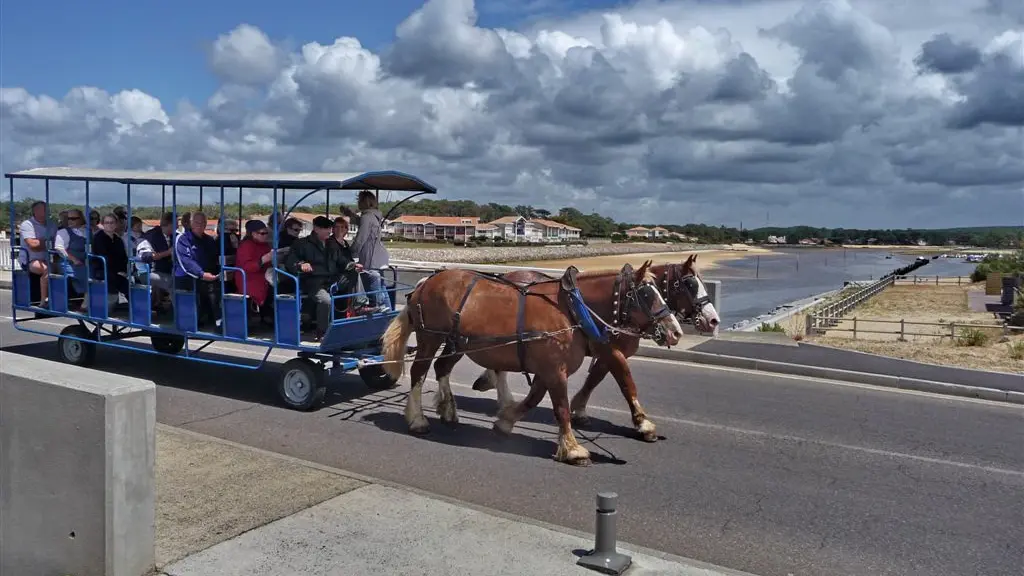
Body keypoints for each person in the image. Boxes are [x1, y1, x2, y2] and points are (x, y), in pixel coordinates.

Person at [284, 216, 361, 341]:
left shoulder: (331, 244)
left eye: (330, 228)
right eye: (326, 228)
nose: (329, 231)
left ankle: (359, 307)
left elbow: (341, 260)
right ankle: (322, 332)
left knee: (355, 273)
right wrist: (301, 265)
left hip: (332, 280)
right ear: (316, 229)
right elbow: (290, 262)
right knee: (326, 301)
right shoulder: (302, 244)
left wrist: (351, 265)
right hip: (313, 282)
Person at [341, 190, 391, 311]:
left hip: (371, 257)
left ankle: (378, 306)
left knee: (372, 281)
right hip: (380, 256)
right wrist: (350, 214)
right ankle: (389, 311)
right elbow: (361, 221)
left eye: (359, 200)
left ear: (364, 202)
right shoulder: (374, 216)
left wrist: (350, 252)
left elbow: (360, 239)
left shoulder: (367, 217)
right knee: (382, 286)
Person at [174, 212, 222, 328]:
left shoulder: (209, 240)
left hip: (206, 275)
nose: (200, 225)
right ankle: (218, 320)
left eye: (203, 222)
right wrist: (202, 274)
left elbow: (215, 258)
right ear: (191, 223)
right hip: (186, 276)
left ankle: (215, 316)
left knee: (223, 284)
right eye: (197, 222)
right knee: (210, 287)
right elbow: (186, 262)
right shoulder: (182, 239)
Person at [234, 219, 275, 323]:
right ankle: (268, 315)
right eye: (262, 233)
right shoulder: (246, 246)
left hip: (262, 275)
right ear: (253, 234)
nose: (265, 235)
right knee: (273, 288)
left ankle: (271, 315)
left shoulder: (265, 245)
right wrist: (262, 260)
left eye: (266, 233)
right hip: (248, 278)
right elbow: (247, 266)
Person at [18, 200, 57, 306]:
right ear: (35, 211)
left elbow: (57, 242)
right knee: (47, 269)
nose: (47, 212)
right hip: (30, 259)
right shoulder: (27, 224)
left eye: (47, 209)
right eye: (44, 210)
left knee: (63, 268)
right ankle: (44, 300)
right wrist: (49, 242)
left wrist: (41, 242)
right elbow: (33, 246)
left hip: (48, 258)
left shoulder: (52, 224)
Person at [136, 212, 175, 310]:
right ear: (169, 224)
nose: (177, 228)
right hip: (147, 272)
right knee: (173, 282)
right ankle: (180, 314)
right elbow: (145, 256)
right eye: (175, 225)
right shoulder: (150, 236)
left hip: (164, 270)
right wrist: (167, 253)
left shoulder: (172, 236)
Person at [53, 208, 89, 307]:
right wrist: (74, 259)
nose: (70, 221)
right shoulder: (63, 232)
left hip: (86, 261)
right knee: (86, 274)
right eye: (69, 218)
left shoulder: (86, 231)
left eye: (74, 218)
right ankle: (86, 303)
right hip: (69, 262)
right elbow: (59, 248)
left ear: (81, 219)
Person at [90, 213, 130, 301]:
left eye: (112, 223)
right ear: (103, 224)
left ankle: (138, 308)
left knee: (134, 282)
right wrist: (118, 272)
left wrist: (123, 270)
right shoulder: (99, 238)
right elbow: (104, 257)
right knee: (117, 280)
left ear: (116, 224)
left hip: (118, 270)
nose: (109, 225)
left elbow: (124, 257)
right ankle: (108, 305)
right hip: (102, 269)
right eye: (107, 223)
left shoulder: (118, 239)